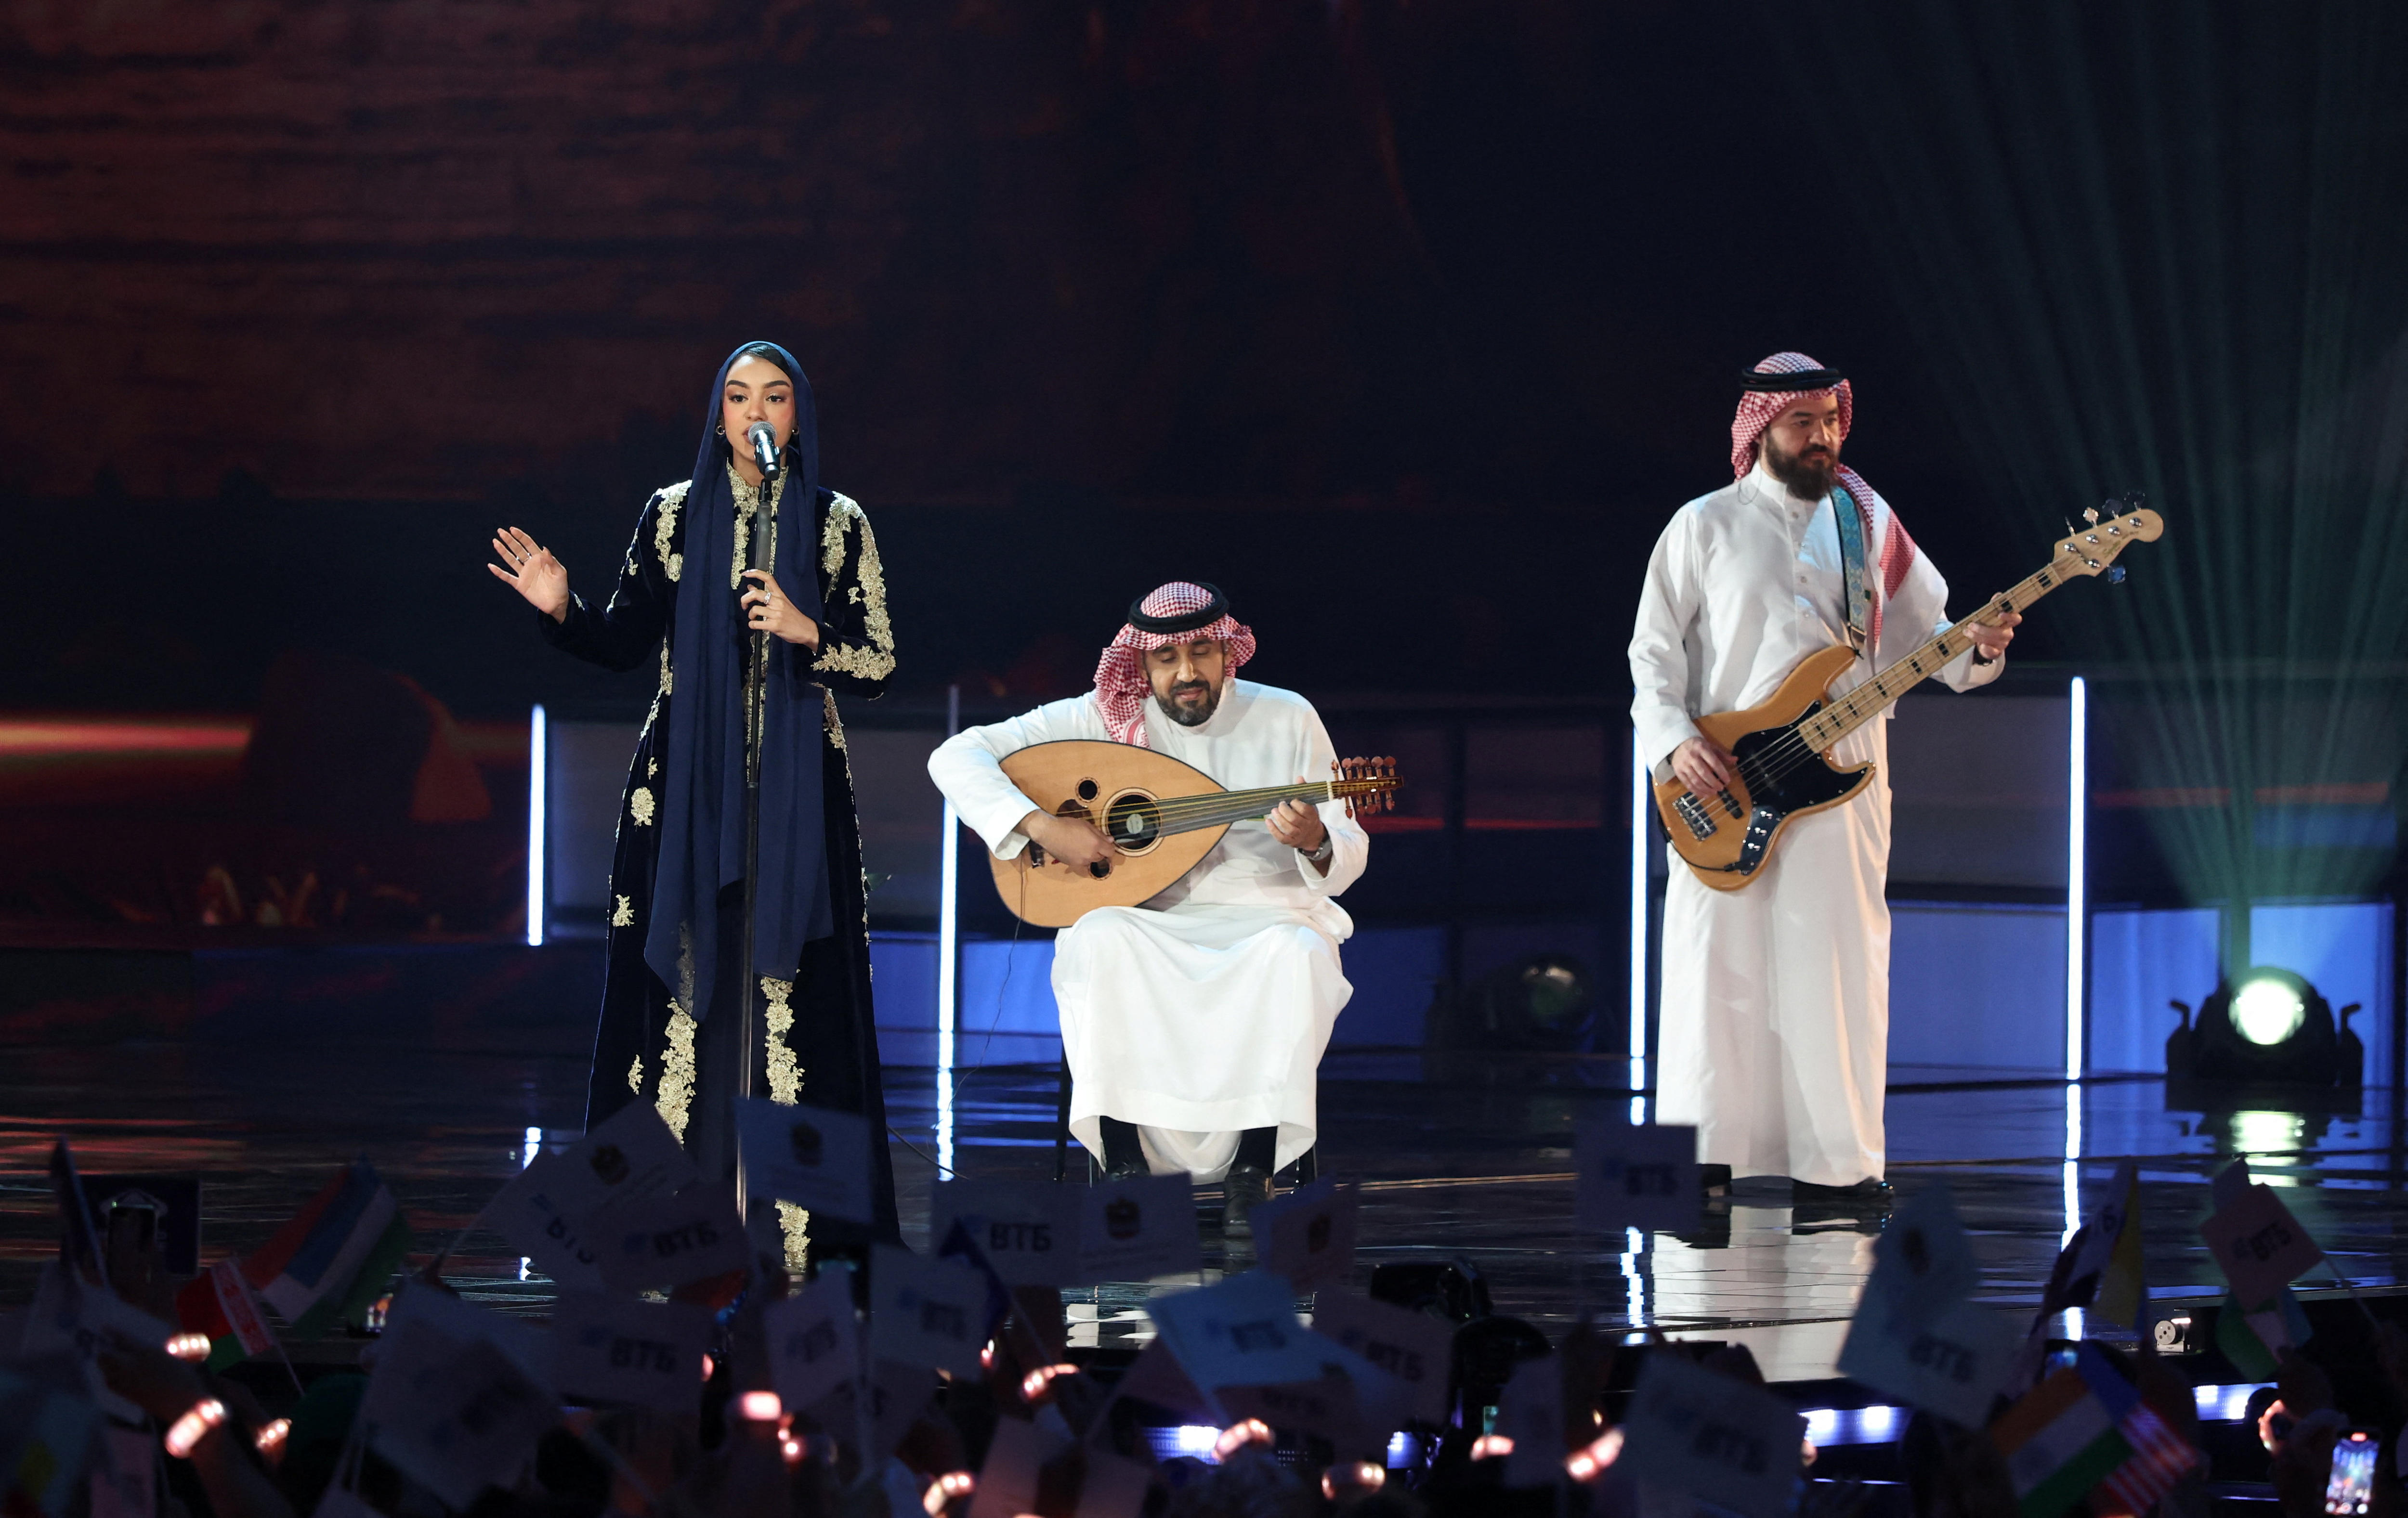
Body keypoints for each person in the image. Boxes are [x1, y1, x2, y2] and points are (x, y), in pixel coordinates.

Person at [487, 340, 900, 1262]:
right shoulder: (672, 518)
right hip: (682, 799)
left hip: (800, 800)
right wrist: (563, 610)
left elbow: (877, 661)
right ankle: (666, 1223)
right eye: (740, 395)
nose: (759, 411)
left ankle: (801, 1235)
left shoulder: (837, 523)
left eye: (778, 396)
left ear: (798, 416)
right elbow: (624, 641)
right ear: (718, 415)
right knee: (681, 989)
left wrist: (804, 630)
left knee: (795, 993)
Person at [1627, 352, 2019, 1204]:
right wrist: (1672, 740)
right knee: (1713, 971)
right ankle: (1699, 1166)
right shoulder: (1702, 524)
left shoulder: (1869, 524)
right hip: (1723, 780)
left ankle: (1837, 1170)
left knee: (1834, 962)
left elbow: (1931, 643)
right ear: (1759, 427)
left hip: (1846, 780)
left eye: (1832, 421)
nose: (1823, 437)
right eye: (1803, 422)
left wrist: (1978, 649)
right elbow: (1652, 653)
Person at [926, 582, 1367, 1235]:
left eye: (1201, 653)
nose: (1186, 672)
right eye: (1168, 659)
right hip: (1149, 921)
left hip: (1264, 916)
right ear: (1141, 663)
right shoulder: (1099, 720)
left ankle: (1253, 1169)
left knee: (1298, 952)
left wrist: (1316, 840)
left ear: (1227, 653)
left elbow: (1348, 847)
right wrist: (1044, 828)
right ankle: (1126, 1164)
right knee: (1099, 936)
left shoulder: (1287, 716)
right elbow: (954, 756)